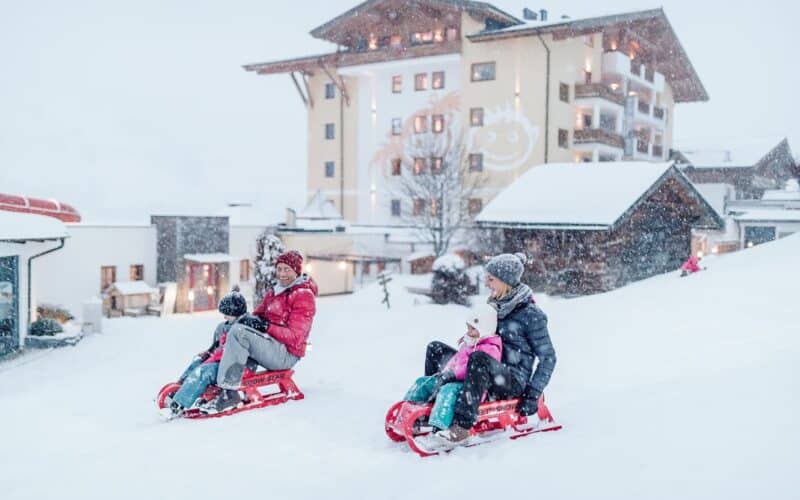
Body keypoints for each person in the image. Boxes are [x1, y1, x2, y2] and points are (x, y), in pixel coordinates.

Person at [427, 252, 557, 445]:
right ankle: (434, 406)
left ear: (505, 281)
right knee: (435, 349)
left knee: (479, 359)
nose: (486, 284)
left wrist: (532, 394)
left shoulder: (531, 315)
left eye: (491, 279)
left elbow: (548, 357)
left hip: (511, 381)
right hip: (483, 368)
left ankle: (461, 427)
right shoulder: (494, 306)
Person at [204, 250, 318, 413]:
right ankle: (212, 371)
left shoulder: (303, 296)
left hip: (285, 354)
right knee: (225, 327)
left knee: (239, 333)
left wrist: (265, 327)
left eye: (287, 269)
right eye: (279, 269)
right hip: (269, 345)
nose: (282, 274)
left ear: (296, 271)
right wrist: (245, 319)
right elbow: (257, 316)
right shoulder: (275, 292)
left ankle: (229, 391)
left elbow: (295, 337)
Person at [403, 304, 501, 430]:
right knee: (423, 382)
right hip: (454, 379)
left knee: (447, 390)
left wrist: (453, 374)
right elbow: (456, 359)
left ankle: (440, 425)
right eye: (468, 328)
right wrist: (445, 372)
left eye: (473, 329)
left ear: (485, 329)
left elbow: (470, 368)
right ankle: (407, 409)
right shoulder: (469, 343)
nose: (469, 332)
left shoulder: (491, 349)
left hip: (471, 388)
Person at [162, 290, 247, 419]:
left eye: (227, 314)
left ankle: (179, 404)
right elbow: (217, 346)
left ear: (236, 313)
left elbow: (229, 352)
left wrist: (211, 359)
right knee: (197, 363)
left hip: (230, 368)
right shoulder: (224, 327)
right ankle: (181, 389)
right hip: (218, 361)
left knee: (203, 371)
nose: (224, 317)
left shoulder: (242, 329)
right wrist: (208, 353)